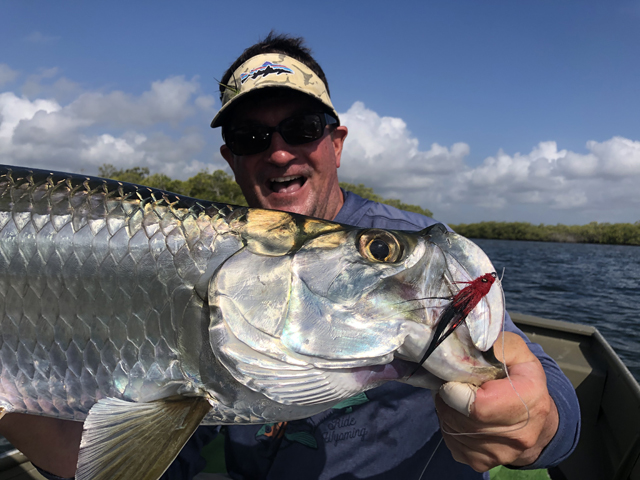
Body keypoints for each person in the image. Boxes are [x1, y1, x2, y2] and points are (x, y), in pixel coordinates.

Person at [0, 33, 580, 480]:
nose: (278, 153)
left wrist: (536, 418)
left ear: (336, 142)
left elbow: (539, 390)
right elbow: (130, 461)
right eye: (253, 137)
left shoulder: (407, 255)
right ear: (231, 157)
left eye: (301, 127)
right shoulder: (212, 253)